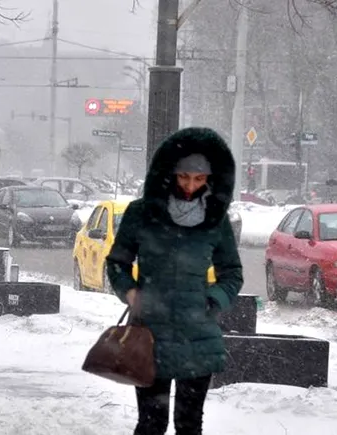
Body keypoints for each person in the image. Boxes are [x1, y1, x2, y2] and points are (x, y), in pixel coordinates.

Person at [105, 127, 243, 435]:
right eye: (183, 177)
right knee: (151, 424)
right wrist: (129, 293)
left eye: (199, 179)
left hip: (198, 338)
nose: (190, 186)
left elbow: (232, 273)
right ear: (169, 173)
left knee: (189, 424)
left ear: (211, 179)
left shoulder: (215, 220)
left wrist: (213, 300)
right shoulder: (141, 213)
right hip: (149, 338)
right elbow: (117, 262)